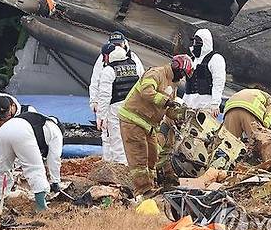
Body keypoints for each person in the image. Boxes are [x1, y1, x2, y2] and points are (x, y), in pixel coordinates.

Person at [118, 55, 193, 196]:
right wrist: (166, 101)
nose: (182, 78)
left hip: (149, 124)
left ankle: (151, 187)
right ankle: (143, 191)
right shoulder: (156, 73)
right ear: (177, 68)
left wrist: (180, 115)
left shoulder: (172, 84)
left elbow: (168, 110)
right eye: (182, 74)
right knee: (139, 157)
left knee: (153, 155)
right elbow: (146, 91)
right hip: (133, 119)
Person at [0, 112, 63, 212]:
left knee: (3, 168)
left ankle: (0, 200)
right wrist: (55, 181)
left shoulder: (43, 122)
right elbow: (54, 159)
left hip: (4, 129)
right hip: (22, 132)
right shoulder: (57, 132)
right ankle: (41, 207)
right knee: (35, 168)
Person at [96, 46, 142, 164]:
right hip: (134, 107)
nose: (104, 60)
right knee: (132, 138)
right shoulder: (134, 65)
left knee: (116, 139)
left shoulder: (109, 70)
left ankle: (120, 168)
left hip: (116, 109)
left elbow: (104, 96)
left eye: (104, 56)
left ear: (108, 56)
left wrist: (101, 116)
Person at [183, 29, 225, 117]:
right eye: (194, 42)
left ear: (205, 42)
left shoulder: (215, 58)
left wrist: (215, 104)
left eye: (197, 42)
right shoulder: (192, 59)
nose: (195, 45)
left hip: (205, 105)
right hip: (188, 104)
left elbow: (219, 82)